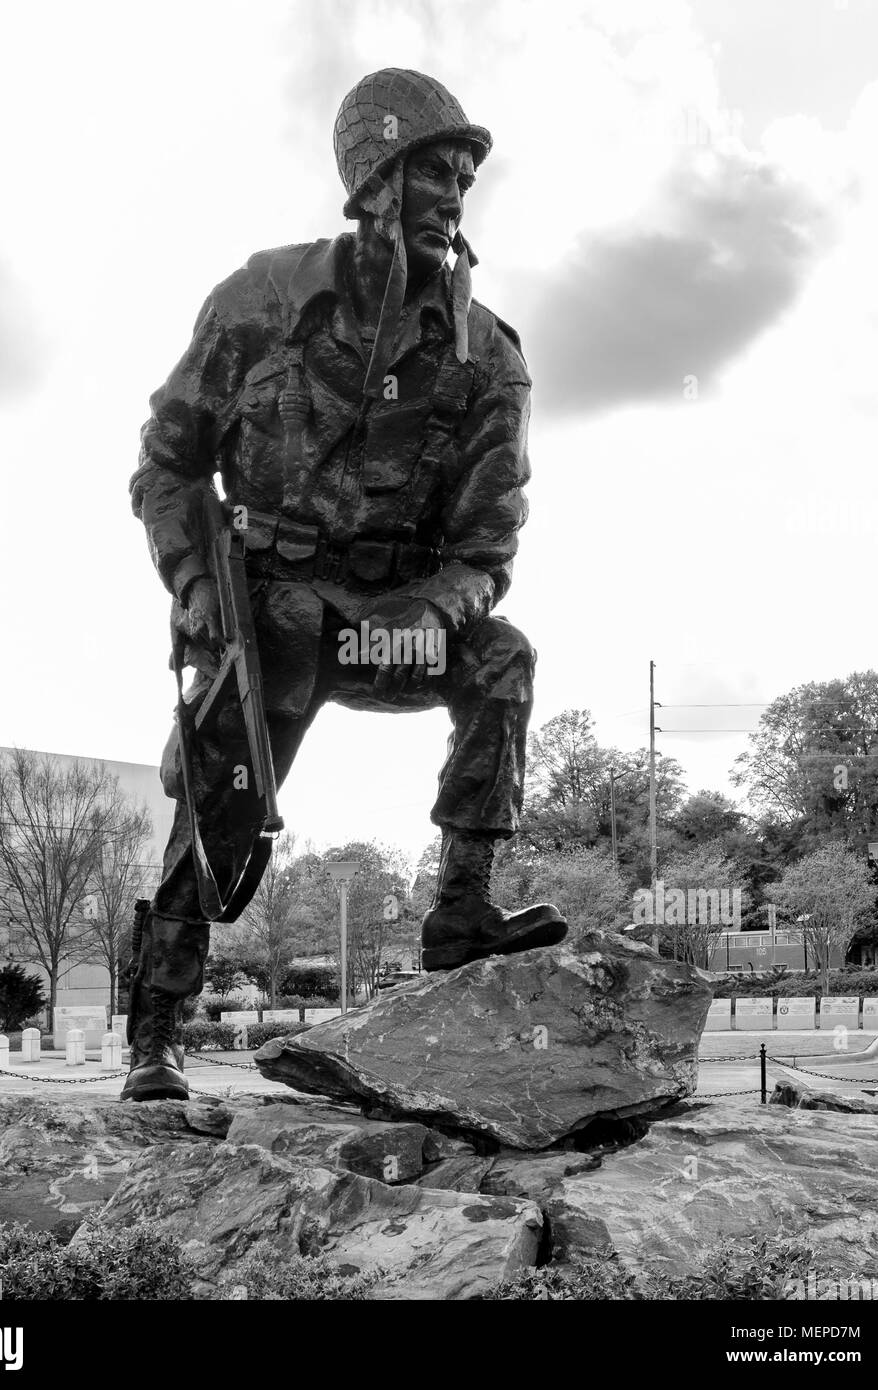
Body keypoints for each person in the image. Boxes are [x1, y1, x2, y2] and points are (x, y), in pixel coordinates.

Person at [124, 69, 565, 1101]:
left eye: (464, 178)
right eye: (435, 173)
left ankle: (461, 909)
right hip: (270, 609)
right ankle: (156, 1033)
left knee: (503, 661)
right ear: (373, 180)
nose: (455, 197)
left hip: (391, 622)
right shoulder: (256, 303)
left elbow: (488, 542)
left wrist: (437, 610)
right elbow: (170, 463)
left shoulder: (486, 358)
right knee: (224, 780)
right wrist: (195, 587)